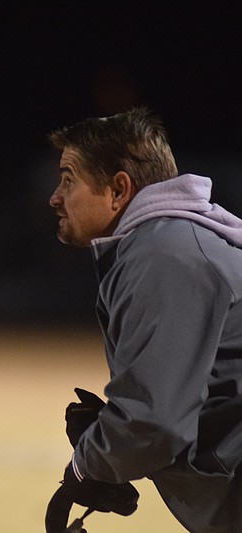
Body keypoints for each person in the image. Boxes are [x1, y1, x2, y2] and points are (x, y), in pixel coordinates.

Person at [44, 106, 242, 533]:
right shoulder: (174, 240)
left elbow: (155, 421)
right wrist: (112, 442)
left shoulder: (165, 254)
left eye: (68, 179)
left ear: (118, 189)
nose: (55, 197)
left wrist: (86, 467)